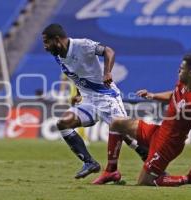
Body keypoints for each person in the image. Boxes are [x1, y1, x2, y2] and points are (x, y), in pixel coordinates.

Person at [42, 23, 147, 182]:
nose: (45, 47)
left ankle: (148, 158)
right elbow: (77, 74)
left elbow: (108, 51)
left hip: (107, 97)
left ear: (56, 39)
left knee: (125, 132)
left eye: (46, 42)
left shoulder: (82, 45)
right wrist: (78, 93)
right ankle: (90, 162)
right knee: (63, 123)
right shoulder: (58, 55)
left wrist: (107, 73)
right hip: (88, 101)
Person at [109, 54, 191, 187]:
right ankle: (110, 171)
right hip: (158, 131)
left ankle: (189, 178)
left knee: (144, 182)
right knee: (117, 123)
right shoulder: (185, 81)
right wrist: (153, 95)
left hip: (168, 145)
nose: (178, 70)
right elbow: (174, 94)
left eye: (181, 68)